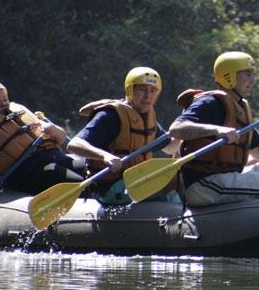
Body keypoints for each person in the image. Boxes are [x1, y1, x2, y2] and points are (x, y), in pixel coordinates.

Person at [169, 51, 259, 206]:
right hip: (202, 184)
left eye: (253, 75)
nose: (253, 80)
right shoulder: (210, 103)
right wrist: (216, 130)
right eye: (247, 74)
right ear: (228, 75)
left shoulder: (239, 107)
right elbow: (176, 129)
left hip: (225, 178)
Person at [67, 67, 180, 204]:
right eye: (142, 89)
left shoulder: (147, 117)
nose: (148, 96)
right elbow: (73, 145)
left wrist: (185, 131)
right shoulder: (111, 116)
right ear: (130, 90)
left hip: (136, 181)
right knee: (166, 195)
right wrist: (105, 156)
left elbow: (170, 148)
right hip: (109, 187)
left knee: (178, 184)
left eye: (153, 90)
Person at [0, 80, 86, 198]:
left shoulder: (21, 114)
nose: (4, 103)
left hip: (57, 159)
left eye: (5, 99)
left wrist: (53, 129)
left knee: (90, 168)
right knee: (79, 182)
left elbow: (61, 138)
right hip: (29, 174)